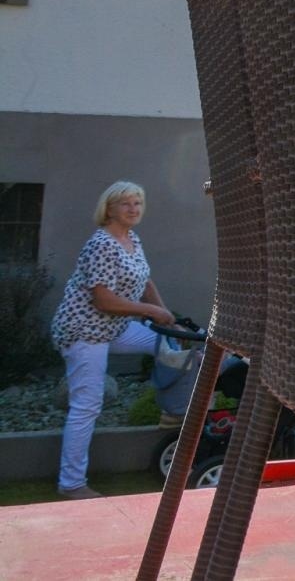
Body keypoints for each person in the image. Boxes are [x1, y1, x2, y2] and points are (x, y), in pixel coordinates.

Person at [49, 181, 174, 499]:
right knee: (86, 406)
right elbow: (103, 300)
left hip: (115, 328)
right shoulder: (101, 244)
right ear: (109, 209)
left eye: (137, 203)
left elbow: (145, 279)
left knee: (167, 345)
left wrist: (163, 312)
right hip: (84, 332)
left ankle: (175, 408)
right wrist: (149, 311)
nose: (133, 209)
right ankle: (71, 484)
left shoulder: (131, 238)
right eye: (125, 204)